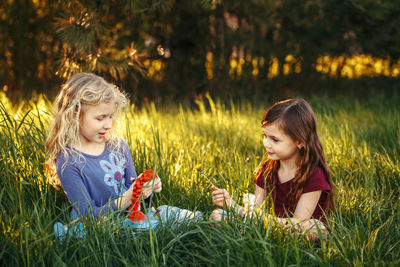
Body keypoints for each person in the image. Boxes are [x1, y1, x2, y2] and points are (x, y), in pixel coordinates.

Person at [45, 73, 201, 237]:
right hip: (99, 226)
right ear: (74, 115)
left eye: (110, 116)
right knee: (143, 230)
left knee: (172, 215)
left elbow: (134, 191)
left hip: (131, 216)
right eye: (100, 118)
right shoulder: (69, 161)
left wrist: (145, 189)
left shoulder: (117, 146)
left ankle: (214, 221)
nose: (109, 124)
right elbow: (88, 215)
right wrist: (127, 198)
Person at [210, 99, 335, 239]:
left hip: (297, 228)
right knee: (216, 216)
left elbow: (299, 222)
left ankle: (267, 236)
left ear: (300, 141)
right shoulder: (266, 169)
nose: (266, 144)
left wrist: (262, 219)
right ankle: (267, 235)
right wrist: (231, 205)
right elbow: (256, 212)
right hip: (269, 223)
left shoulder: (314, 175)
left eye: (274, 140)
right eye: (265, 136)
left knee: (316, 228)